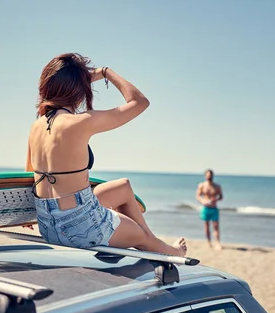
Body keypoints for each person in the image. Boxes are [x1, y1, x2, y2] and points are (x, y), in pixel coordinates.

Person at [25, 53, 187, 257]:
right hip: (81, 228)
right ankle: (168, 250)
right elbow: (140, 102)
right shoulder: (80, 122)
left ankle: (153, 241)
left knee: (123, 186)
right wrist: (105, 72)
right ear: (78, 89)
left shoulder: (36, 126)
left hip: (48, 226)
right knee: (142, 237)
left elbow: (29, 174)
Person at [196, 169, 223, 250]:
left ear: (212, 176)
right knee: (206, 226)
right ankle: (209, 242)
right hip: (206, 208)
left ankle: (217, 243)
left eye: (210, 176)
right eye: (207, 176)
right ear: (205, 176)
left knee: (216, 226)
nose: (209, 177)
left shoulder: (217, 186)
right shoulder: (202, 185)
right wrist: (203, 201)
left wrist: (216, 199)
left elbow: (221, 196)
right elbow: (198, 196)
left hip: (214, 208)